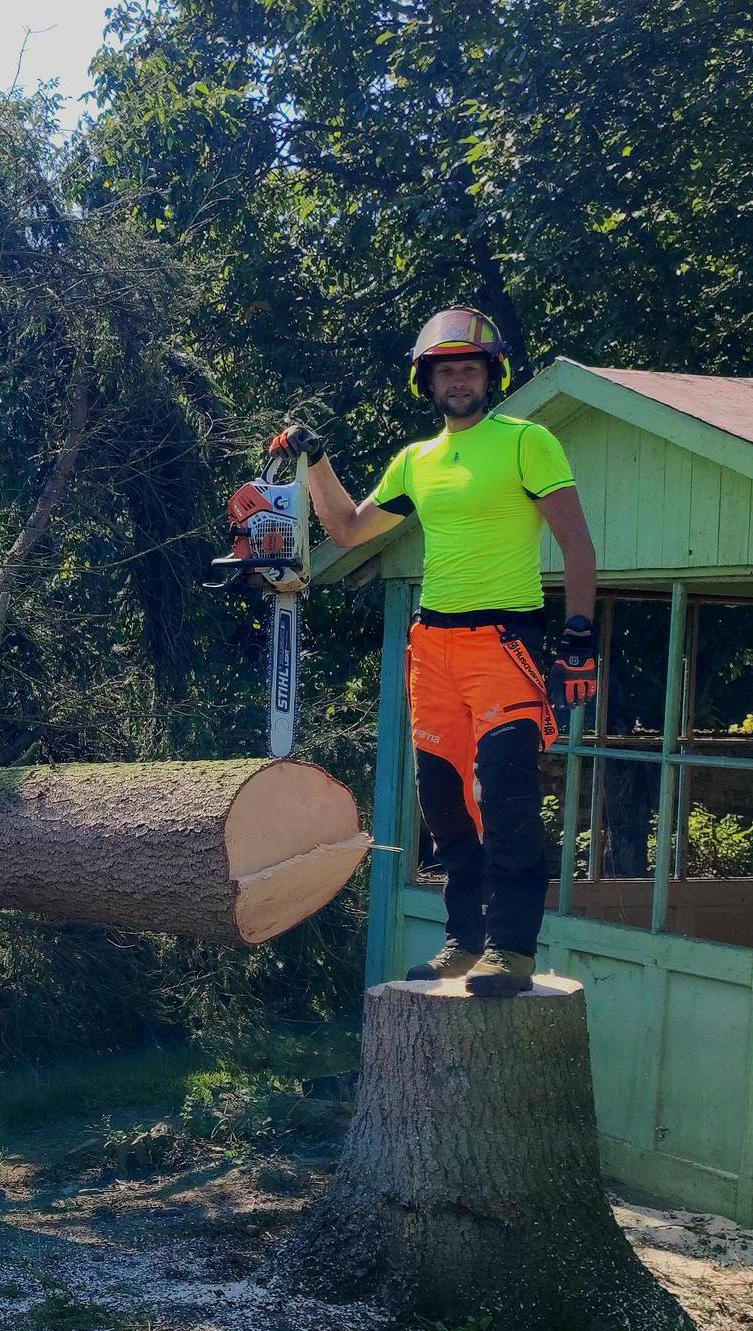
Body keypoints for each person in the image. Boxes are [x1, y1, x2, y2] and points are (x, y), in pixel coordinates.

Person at [271, 307, 599, 995]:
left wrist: (578, 637)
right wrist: (315, 459)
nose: (458, 381)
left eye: (469, 369)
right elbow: (349, 529)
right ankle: (465, 942)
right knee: (445, 802)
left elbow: (576, 543)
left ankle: (512, 949)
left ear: (491, 375)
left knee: (506, 797)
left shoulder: (526, 442)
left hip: (504, 642)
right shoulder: (415, 461)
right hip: (433, 648)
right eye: (445, 371)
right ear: (427, 382)